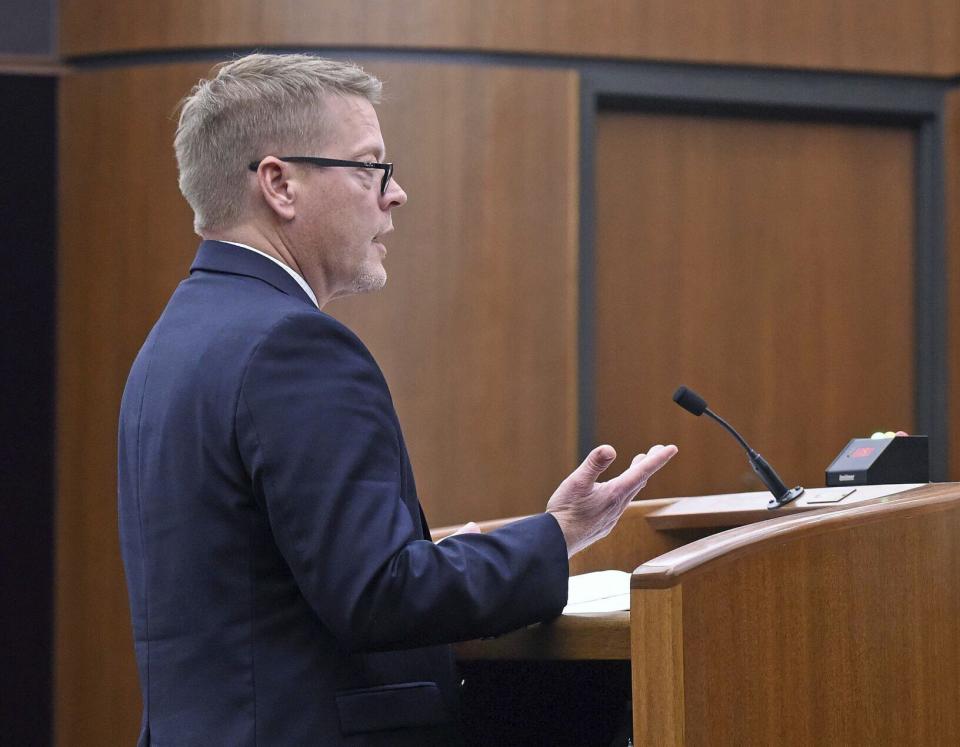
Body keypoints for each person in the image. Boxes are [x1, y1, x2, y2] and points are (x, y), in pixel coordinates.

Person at [117, 53, 677, 746]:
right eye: (369, 166)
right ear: (280, 184)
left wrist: (462, 551)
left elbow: (273, 577)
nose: (395, 193)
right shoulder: (293, 345)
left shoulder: (173, 339)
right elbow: (379, 594)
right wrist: (556, 536)